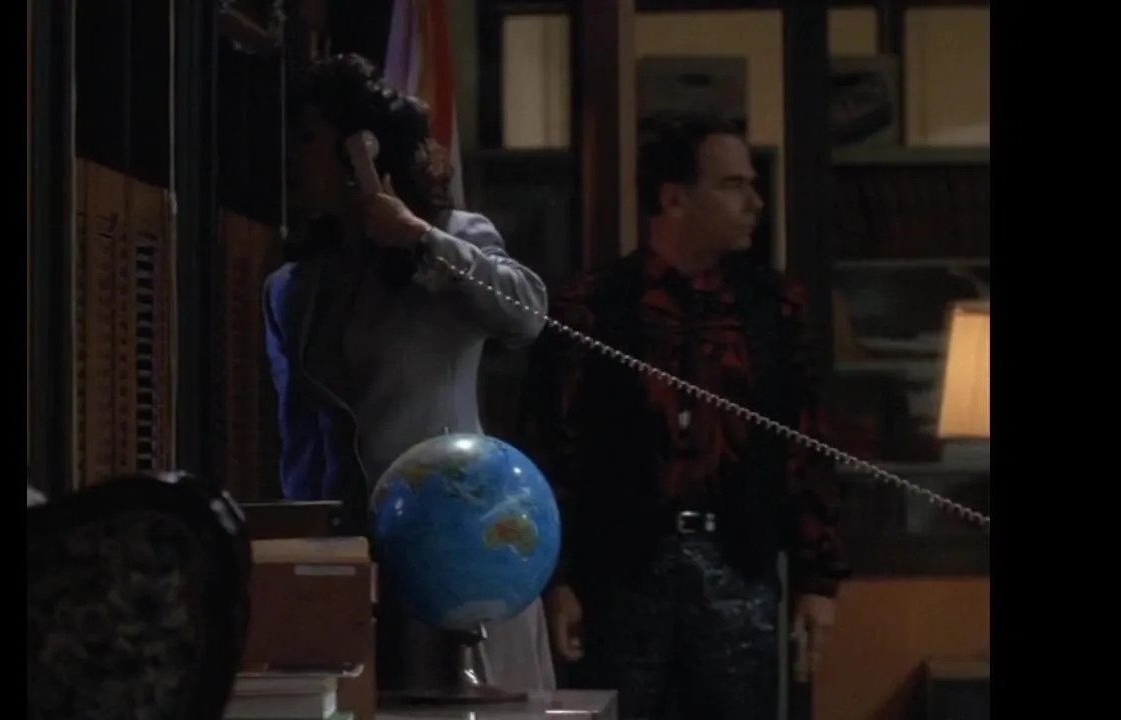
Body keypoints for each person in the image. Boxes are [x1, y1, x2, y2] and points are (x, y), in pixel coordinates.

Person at [520, 113, 850, 719]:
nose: (754, 202)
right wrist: (555, 579)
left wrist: (817, 578)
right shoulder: (590, 306)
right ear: (674, 199)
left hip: (738, 568)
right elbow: (550, 448)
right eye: (732, 185)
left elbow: (808, 444)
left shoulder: (773, 309)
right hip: (620, 575)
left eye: (752, 185)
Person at [261, 54, 555, 694]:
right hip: (355, 558)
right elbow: (299, 438)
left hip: (460, 542)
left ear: (358, 150)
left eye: (307, 138)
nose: (291, 157)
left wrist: (420, 239)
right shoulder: (296, 288)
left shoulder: (452, 239)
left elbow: (527, 312)